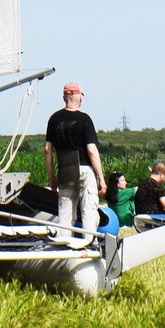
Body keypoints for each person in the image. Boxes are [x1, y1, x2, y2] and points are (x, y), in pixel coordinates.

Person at [43, 83, 103, 245]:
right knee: (88, 208)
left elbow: (48, 150)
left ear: (65, 97)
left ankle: (64, 242)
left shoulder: (54, 119)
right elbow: (91, 151)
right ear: (77, 96)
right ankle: (89, 242)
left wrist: (52, 177)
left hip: (65, 169)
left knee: (65, 209)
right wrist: (101, 179)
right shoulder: (84, 119)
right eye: (82, 95)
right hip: (84, 168)